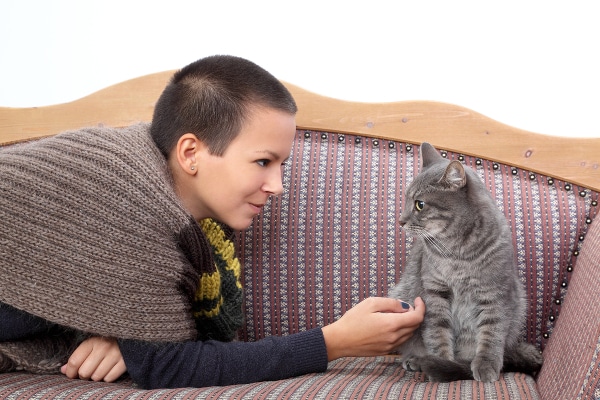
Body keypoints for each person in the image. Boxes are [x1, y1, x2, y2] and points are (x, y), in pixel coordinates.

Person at [0, 55, 425, 389]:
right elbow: (166, 365)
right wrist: (334, 342)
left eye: (281, 165)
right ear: (190, 154)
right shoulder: (128, 193)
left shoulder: (190, 227)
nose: (276, 185)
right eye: (262, 161)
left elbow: (147, 339)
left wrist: (124, 333)